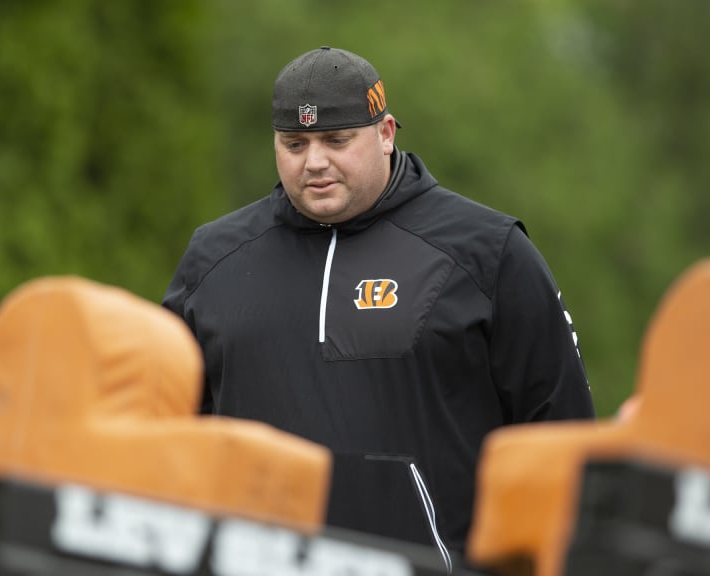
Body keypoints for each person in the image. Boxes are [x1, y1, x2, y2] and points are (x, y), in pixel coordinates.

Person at [163, 46, 594, 564]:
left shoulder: (487, 250)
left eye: (336, 140)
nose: (314, 162)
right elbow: (167, 437)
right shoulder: (214, 260)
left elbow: (562, 440)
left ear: (386, 133)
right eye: (294, 144)